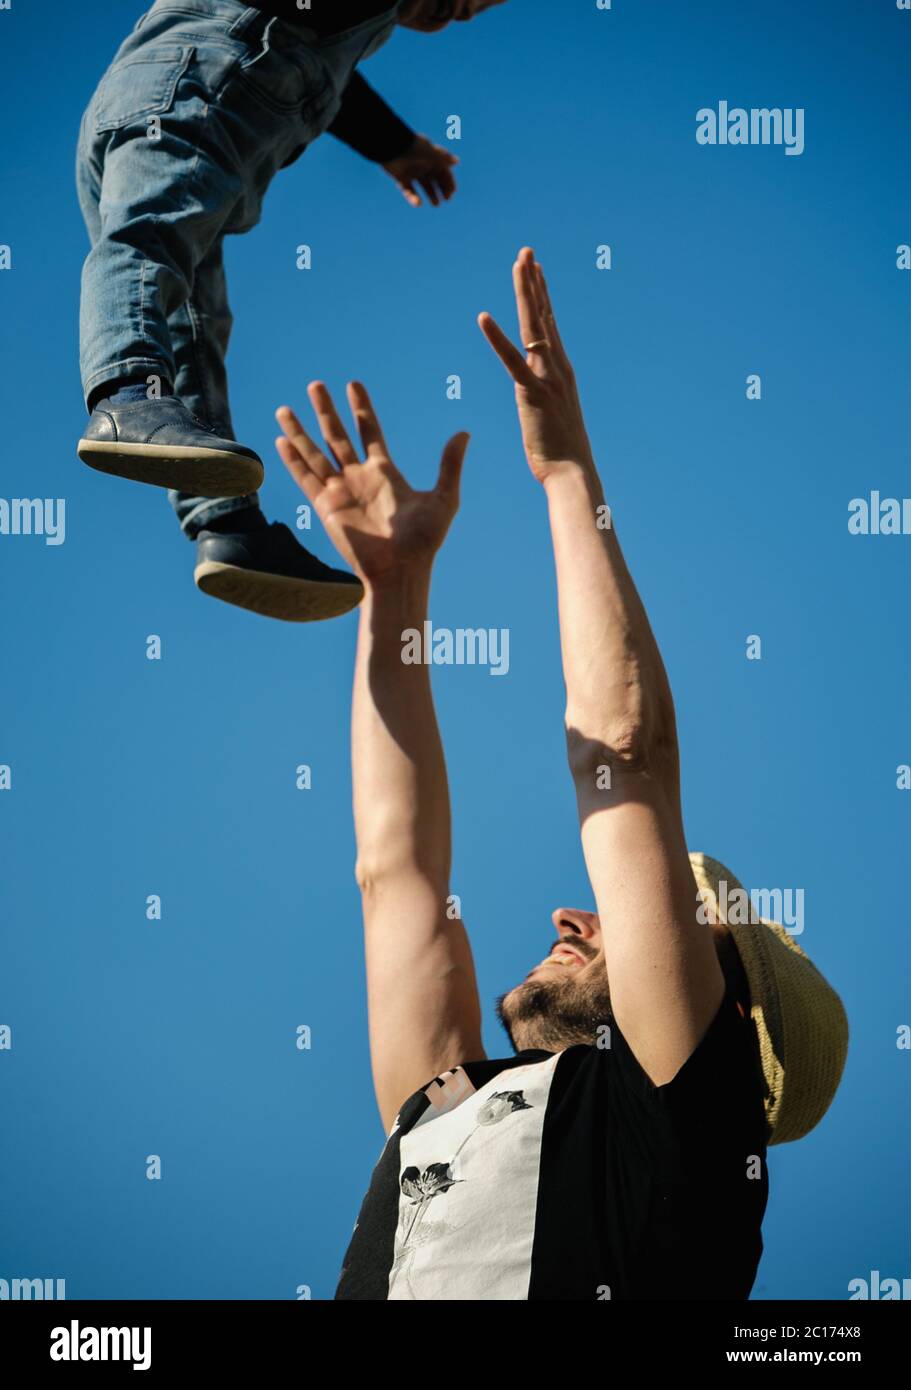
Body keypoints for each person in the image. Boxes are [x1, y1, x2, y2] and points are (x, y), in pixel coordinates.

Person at [274, 248, 849, 1301]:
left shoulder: (686, 1133)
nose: (576, 916)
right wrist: (390, 592)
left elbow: (622, 758)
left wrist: (565, 472)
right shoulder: (449, 1110)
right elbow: (393, 871)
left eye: (650, 920)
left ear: (727, 1018)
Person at [75, 0, 507, 621]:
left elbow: (328, 64)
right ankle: (125, 395)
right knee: (150, 241)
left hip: (172, 113)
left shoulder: (343, 24)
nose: (470, 12)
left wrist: (395, 144)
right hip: (180, 95)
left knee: (194, 324)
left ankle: (226, 526)